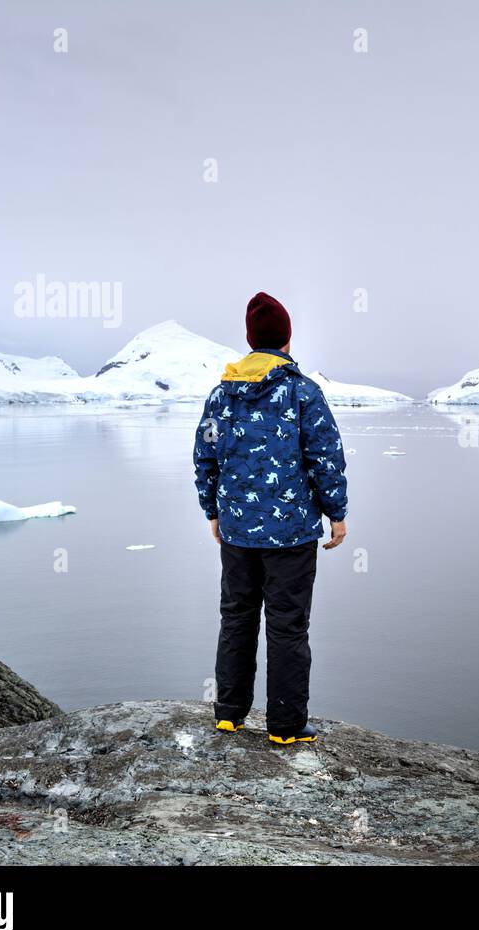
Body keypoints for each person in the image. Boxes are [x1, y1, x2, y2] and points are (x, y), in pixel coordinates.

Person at [192, 291, 347, 744]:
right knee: (287, 625)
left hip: (239, 531)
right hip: (292, 533)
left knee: (236, 617)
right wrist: (336, 513)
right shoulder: (303, 392)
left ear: (249, 339)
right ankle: (285, 726)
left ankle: (229, 712)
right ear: (287, 337)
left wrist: (213, 512)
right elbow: (325, 457)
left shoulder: (222, 394)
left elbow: (205, 456)